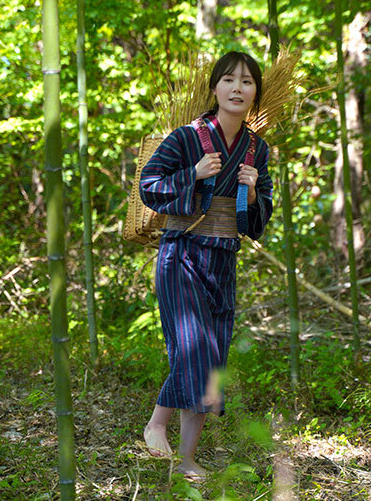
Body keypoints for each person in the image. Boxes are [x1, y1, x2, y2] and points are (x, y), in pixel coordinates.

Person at [138, 51, 273, 478]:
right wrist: (193, 173)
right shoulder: (185, 138)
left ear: (256, 93)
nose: (238, 88)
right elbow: (148, 185)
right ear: (214, 88)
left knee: (212, 359)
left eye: (247, 81)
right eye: (229, 80)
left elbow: (257, 222)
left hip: (223, 258)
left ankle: (186, 460)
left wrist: (254, 194)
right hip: (182, 254)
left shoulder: (257, 149)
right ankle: (156, 424)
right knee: (195, 349)